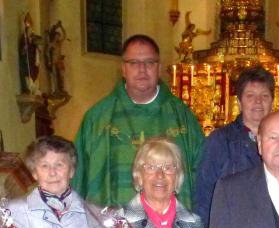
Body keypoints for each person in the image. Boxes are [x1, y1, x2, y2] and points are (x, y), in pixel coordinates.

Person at [73, 34, 204, 209]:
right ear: (123, 69)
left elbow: (202, 172)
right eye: (134, 63)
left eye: (149, 62)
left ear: (159, 67)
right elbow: (77, 174)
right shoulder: (98, 117)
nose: (142, 69)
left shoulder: (183, 117)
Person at [194, 66, 275, 228]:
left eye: (264, 96)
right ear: (239, 102)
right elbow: (204, 194)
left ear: (272, 101)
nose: (258, 102)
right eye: (250, 96)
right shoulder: (220, 140)